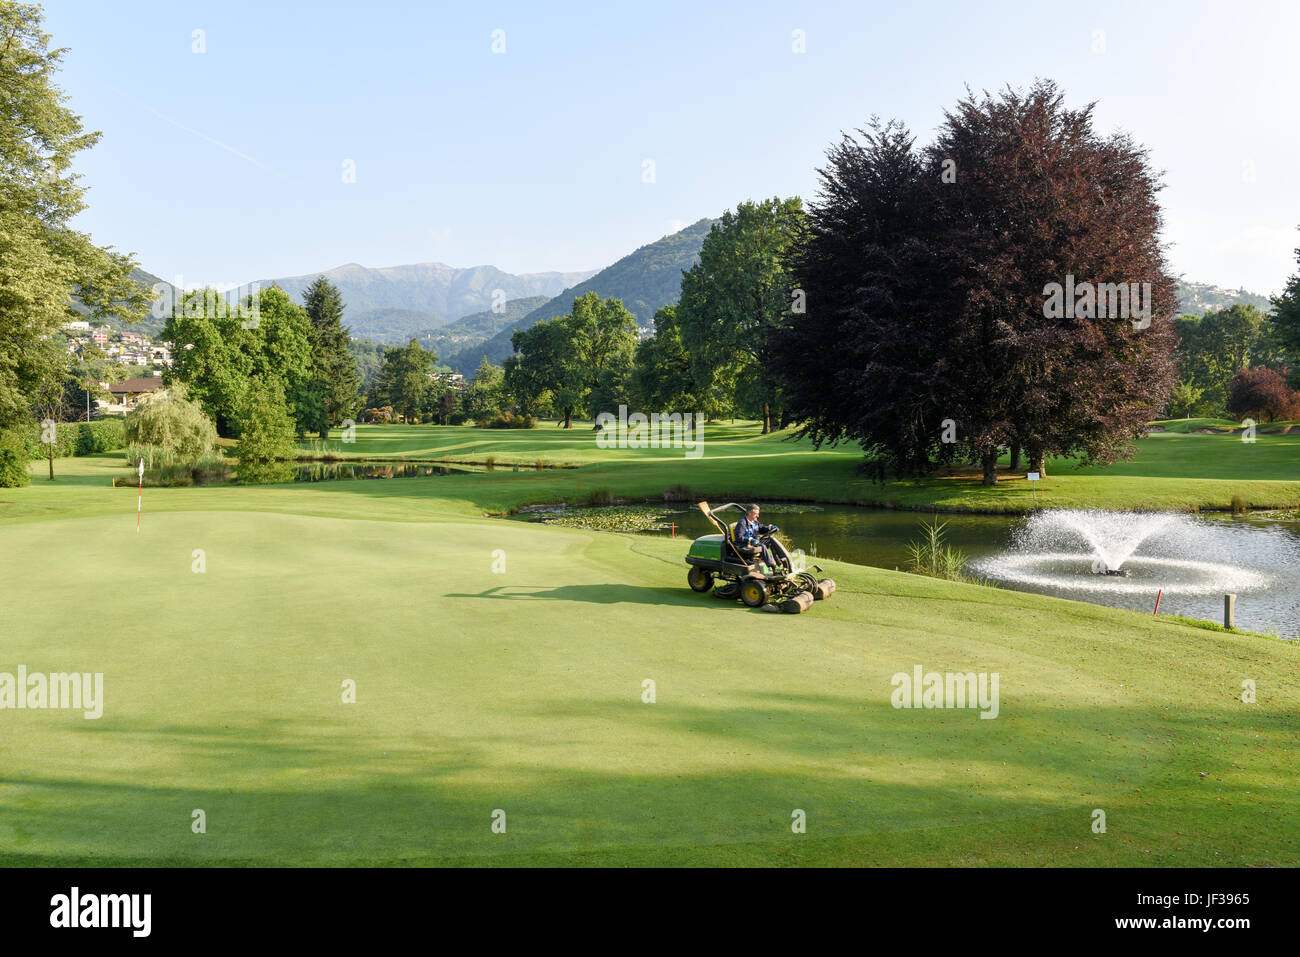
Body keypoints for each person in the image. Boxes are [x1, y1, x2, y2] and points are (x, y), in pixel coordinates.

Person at [735, 504, 777, 570]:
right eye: (756, 514)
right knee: (762, 546)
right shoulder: (742, 523)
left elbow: (761, 528)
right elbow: (739, 537)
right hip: (745, 545)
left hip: (755, 543)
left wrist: (769, 527)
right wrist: (750, 540)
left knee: (771, 540)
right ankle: (771, 565)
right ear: (749, 513)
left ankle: (778, 561)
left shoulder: (754, 521)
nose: (758, 516)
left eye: (758, 514)